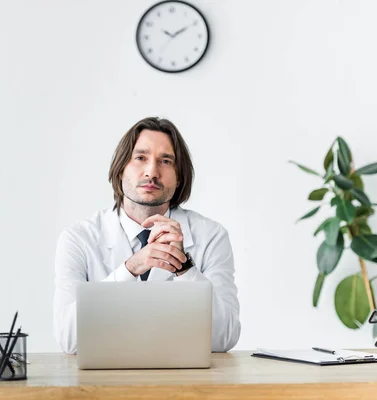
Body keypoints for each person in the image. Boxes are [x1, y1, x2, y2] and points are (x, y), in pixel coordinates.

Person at [53, 117, 241, 354]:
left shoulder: (211, 236)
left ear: (179, 177)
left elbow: (224, 339)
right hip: (104, 387)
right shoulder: (78, 238)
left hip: (186, 384)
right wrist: (129, 269)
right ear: (121, 169)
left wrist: (184, 268)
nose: (152, 172)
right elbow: (70, 341)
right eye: (140, 158)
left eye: (165, 161)